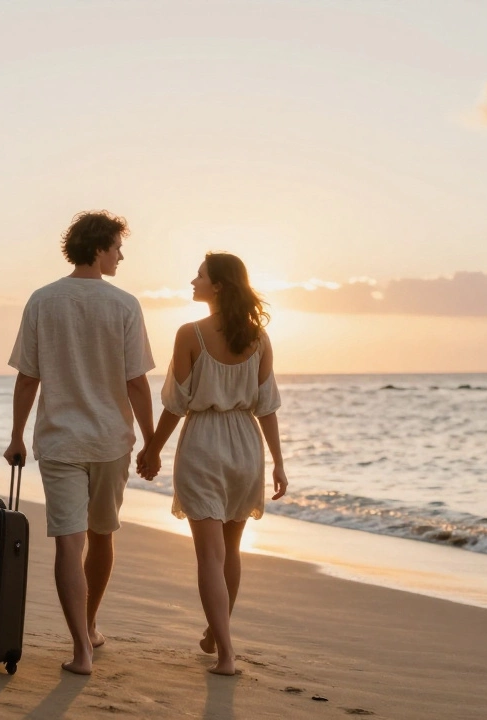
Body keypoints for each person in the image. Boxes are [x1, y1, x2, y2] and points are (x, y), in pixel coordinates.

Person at [4, 210, 156, 675]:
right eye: (116, 247)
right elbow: (137, 383)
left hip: (60, 442)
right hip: (111, 441)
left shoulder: (42, 300)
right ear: (98, 248)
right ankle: (90, 624)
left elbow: (29, 378)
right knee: (102, 536)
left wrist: (15, 436)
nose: (121, 255)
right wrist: (152, 442)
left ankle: (81, 650)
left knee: (69, 544)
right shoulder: (125, 304)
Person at [137, 252, 287, 676]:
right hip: (245, 446)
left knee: (209, 555)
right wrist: (277, 462)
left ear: (218, 285)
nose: (193, 280)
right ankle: (215, 634)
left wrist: (152, 450)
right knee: (230, 551)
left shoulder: (190, 334)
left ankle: (226, 654)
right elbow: (267, 407)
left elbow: (176, 406)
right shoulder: (259, 337)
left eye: (200, 275)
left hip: (204, 443)